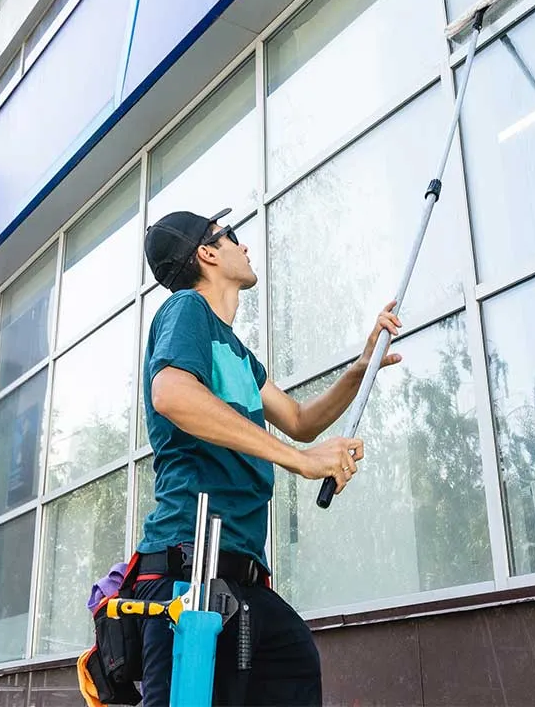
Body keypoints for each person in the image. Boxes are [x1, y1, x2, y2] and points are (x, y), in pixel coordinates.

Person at [135, 207, 401, 706]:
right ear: (207, 253)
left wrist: (361, 368)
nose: (245, 245)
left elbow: (300, 419)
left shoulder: (235, 351)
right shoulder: (186, 310)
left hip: (243, 579)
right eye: (231, 236)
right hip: (188, 574)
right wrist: (299, 460)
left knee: (294, 662)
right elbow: (170, 393)